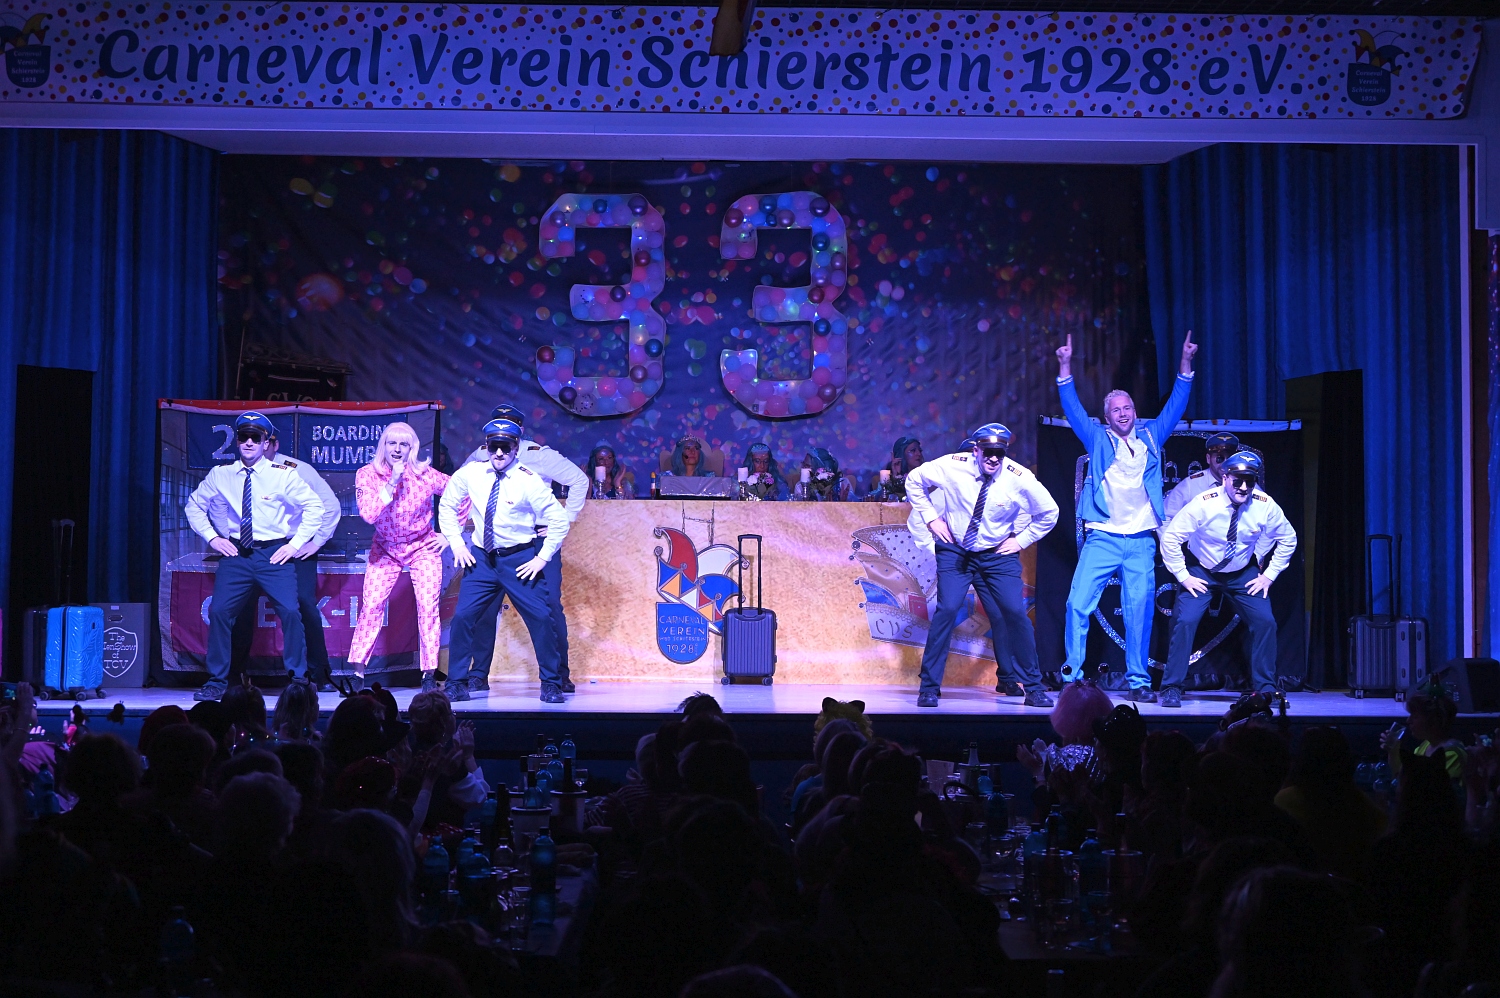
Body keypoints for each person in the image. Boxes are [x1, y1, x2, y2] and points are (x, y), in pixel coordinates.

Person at [1056, 330, 1198, 701]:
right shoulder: (1097, 438)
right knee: (1077, 605)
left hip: (1139, 541)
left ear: (1135, 412)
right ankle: (1072, 677)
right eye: (1116, 409)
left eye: (1128, 408)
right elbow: (1073, 409)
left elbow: (1175, 407)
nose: (1123, 413)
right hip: (1103, 537)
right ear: (1106, 417)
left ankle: (1138, 682)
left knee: (1139, 613)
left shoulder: (1151, 437)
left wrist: (1185, 364)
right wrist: (1065, 367)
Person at [904, 423, 1059, 707]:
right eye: (988, 452)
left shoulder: (1019, 477)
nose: (993, 458)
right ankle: (929, 687)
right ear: (976, 450)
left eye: (999, 453)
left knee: (1015, 612)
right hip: (956, 550)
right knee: (947, 609)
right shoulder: (953, 465)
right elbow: (914, 480)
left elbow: (1050, 512)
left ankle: (1034, 688)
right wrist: (931, 518)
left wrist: (1021, 540)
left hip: (996, 554)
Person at [184, 412, 326, 702]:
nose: (249, 442)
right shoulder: (221, 474)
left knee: (290, 611)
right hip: (237, 553)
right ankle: (217, 680)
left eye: (256, 438)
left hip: (274, 554)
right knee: (219, 612)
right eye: (244, 437)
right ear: (237, 441)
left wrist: (295, 545)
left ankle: (298, 679)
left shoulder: (283, 475)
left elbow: (316, 508)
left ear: (265, 443)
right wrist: (213, 538)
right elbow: (193, 506)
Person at [440, 417, 572, 703]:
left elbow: (559, 520)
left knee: (541, 617)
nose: (499, 453)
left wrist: (541, 558)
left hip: (519, 559)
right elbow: (447, 506)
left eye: (505, 447)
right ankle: (457, 683)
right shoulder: (471, 473)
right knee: (463, 617)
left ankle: (551, 683)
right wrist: (457, 544)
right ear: (486, 446)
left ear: (515, 447)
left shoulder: (528, 479)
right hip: (481, 559)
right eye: (494, 447)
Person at [464, 404, 588, 695]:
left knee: (549, 606)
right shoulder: (480, 456)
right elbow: (460, 490)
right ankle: (478, 674)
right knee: (484, 607)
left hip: (536, 542)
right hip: (494, 544)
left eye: (509, 425)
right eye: (497, 424)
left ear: (520, 430)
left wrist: (565, 518)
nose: (503, 430)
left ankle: (559, 675)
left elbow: (579, 480)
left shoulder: (538, 455)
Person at [1158, 451, 1297, 707]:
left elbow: (1288, 538)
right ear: (1225, 478)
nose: (1243, 487)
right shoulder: (1204, 503)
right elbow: (1171, 538)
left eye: (1249, 481)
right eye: (1237, 481)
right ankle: (1171, 687)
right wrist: (1183, 576)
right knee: (1185, 620)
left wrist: (1269, 575)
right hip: (1202, 569)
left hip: (1242, 572)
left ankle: (1266, 689)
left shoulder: (1264, 504)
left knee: (1265, 621)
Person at [229, 428, 342, 692]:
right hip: (253, 547)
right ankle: (234, 675)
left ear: (274, 444)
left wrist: (315, 542)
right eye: (248, 439)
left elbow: (330, 506)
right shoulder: (237, 472)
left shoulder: (298, 470)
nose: (256, 445)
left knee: (303, 604)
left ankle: (318, 674)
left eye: (262, 441)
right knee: (241, 606)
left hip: (293, 546)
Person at [346, 422, 450, 694]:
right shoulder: (367, 474)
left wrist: (450, 534)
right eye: (392, 443)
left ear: (412, 448)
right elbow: (368, 514)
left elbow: (460, 494)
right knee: (371, 605)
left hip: (422, 546)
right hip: (386, 548)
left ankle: (428, 673)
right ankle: (357, 673)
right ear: (384, 445)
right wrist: (392, 480)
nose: (397, 449)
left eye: (404, 444)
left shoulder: (425, 474)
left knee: (428, 607)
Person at [1162, 431, 1239, 522]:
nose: (1225, 464)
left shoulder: (1246, 483)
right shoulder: (1191, 485)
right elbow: (1166, 517)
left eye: (1230, 459)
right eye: (1219, 458)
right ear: (1208, 459)